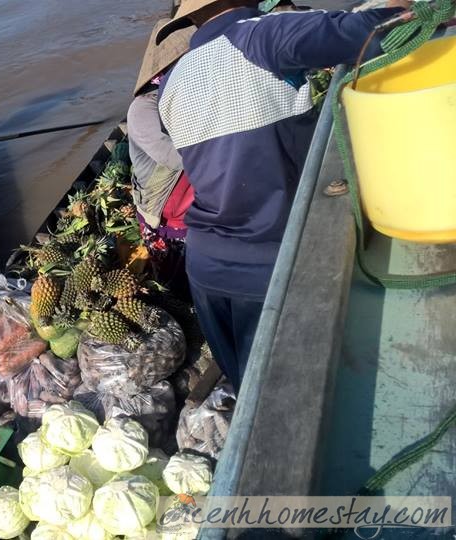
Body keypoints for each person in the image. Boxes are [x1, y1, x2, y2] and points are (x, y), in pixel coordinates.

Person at [154, 0, 410, 390]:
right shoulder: (261, 34)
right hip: (272, 262)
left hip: (206, 269)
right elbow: (370, 33)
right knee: (304, 390)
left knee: (253, 395)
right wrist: (403, 7)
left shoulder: (173, 81)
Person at [126, 20, 196, 294]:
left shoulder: (187, 97)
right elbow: (179, 158)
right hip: (167, 212)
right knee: (179, 283)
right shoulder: (143, 110)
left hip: (193, 200)